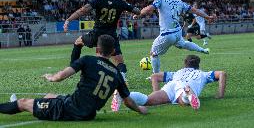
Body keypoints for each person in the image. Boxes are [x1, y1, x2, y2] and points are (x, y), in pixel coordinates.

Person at [0, 35, 147, 120]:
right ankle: (16, 105)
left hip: (70, 109)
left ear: (97, 49)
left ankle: (14, 105)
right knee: (50, 96)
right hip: (89, 113)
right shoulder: (116, 73)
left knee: (23, 102)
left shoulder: (88, 59)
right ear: (113, 51)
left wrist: (51, 77)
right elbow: (127, 101)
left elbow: (61, 77)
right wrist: (140, 109)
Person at [63, 0, 140, 111]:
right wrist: (136, 13)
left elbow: (82, 10)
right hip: (110, 37)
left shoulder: (97, 1)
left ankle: (72, 68)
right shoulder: (119, 2)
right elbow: (136, 10)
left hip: (96, 34)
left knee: (78, 42)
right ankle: (121, 87)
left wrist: (68, 20)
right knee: (119, 62)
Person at [135, 0, 215, 73]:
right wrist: (207, 17)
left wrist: (139, 14)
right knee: (183, 44)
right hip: (177, 32)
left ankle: (155, 76)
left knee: (153, 54)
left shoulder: (160, 0)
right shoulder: (179, 2)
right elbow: (195, 10)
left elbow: (149, 8)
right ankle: (202, 50)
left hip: (167, 34)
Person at [130, 55, 226, 110]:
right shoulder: (203, 74)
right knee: (183, 101)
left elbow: (154, 76)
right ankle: (186, 94)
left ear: (185, 64)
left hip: (172, 85)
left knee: (147, 100)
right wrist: (220, 94)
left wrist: (156, 92)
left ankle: (125, 94)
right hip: (186, 86)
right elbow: (222, 73)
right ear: (198, 65)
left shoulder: (178, 72)